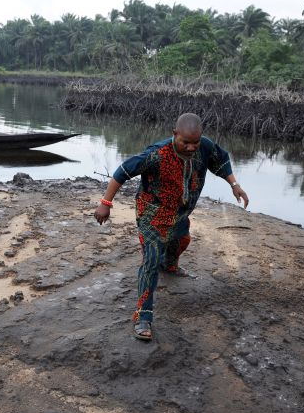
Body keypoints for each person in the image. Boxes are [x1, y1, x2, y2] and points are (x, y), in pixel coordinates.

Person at [94, 113, 249, 341]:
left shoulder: (203, 147)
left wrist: (235, 185)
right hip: (152, 215)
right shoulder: (157, 154)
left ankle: (170, 265)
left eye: (195, 142)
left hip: (179, 213)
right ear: (174, 134)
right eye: (185, 142)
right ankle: (143, 316)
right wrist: (105, 204)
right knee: (150, 261)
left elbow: (221, 160)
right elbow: (122, 172)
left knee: (182, 241)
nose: (191, 147)